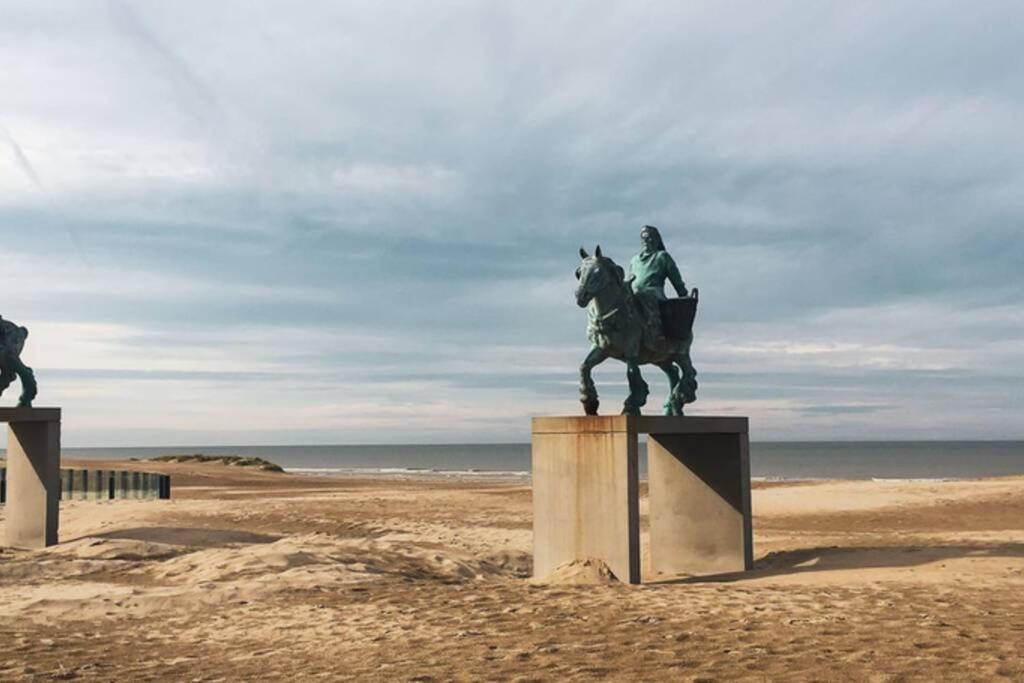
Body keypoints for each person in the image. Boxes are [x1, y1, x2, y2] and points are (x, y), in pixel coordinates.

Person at [628, 225, 687, 346]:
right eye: (643, 238)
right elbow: (630, 280)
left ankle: (656, 332)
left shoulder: (662, 257)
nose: (645, 240)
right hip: (635, 293)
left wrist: (683, 293)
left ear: (656, 240)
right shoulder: (634, 260)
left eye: (649, 237)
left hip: (654, 293)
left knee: (642, 295)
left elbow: (676, 279)